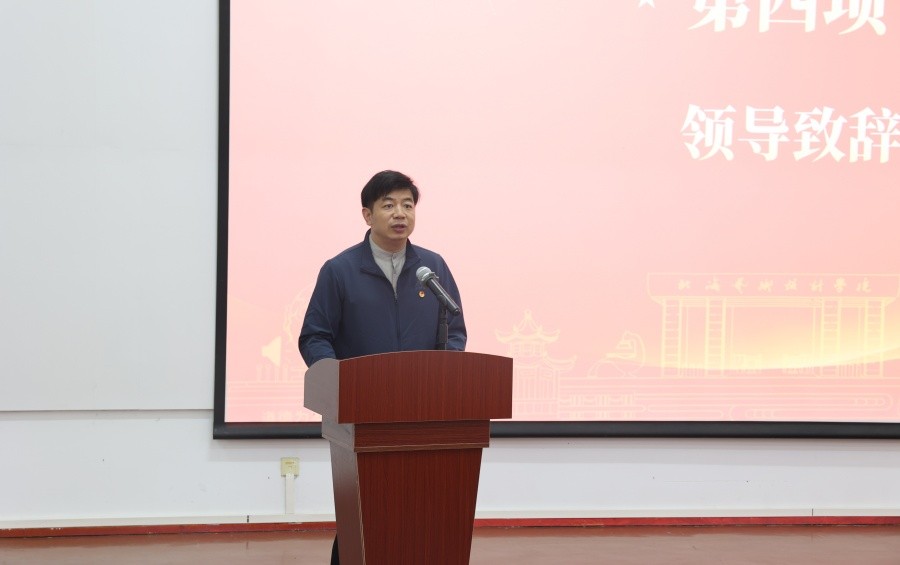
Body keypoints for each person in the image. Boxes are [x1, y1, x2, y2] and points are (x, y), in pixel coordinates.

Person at [298, 170, 467, 564]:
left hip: (424, 412)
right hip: (360, 412)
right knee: (362, 513)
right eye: (389, 205)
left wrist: (446, 374)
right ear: (367, 214)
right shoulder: (340, 270)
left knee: (422, 513)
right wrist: (337, 380)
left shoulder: (433, 268)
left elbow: (455, 331)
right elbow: (315, 336)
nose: (400, 213)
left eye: (408, 204)